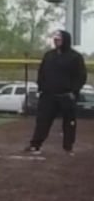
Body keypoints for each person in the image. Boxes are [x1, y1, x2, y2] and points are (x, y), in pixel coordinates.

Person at [26, 28, 86, 156]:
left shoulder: (75, 57)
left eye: (59, 39)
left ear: (65, 40)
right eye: (55, 39)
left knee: (69, 123)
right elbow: (41, 72)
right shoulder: (49, 55)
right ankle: (35, 145)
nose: (56, 41)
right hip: (48, 96)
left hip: (66, 96)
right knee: (42, 121)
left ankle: (68, 147)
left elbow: (81, 76)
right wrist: (41, 87)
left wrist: (74, 91)